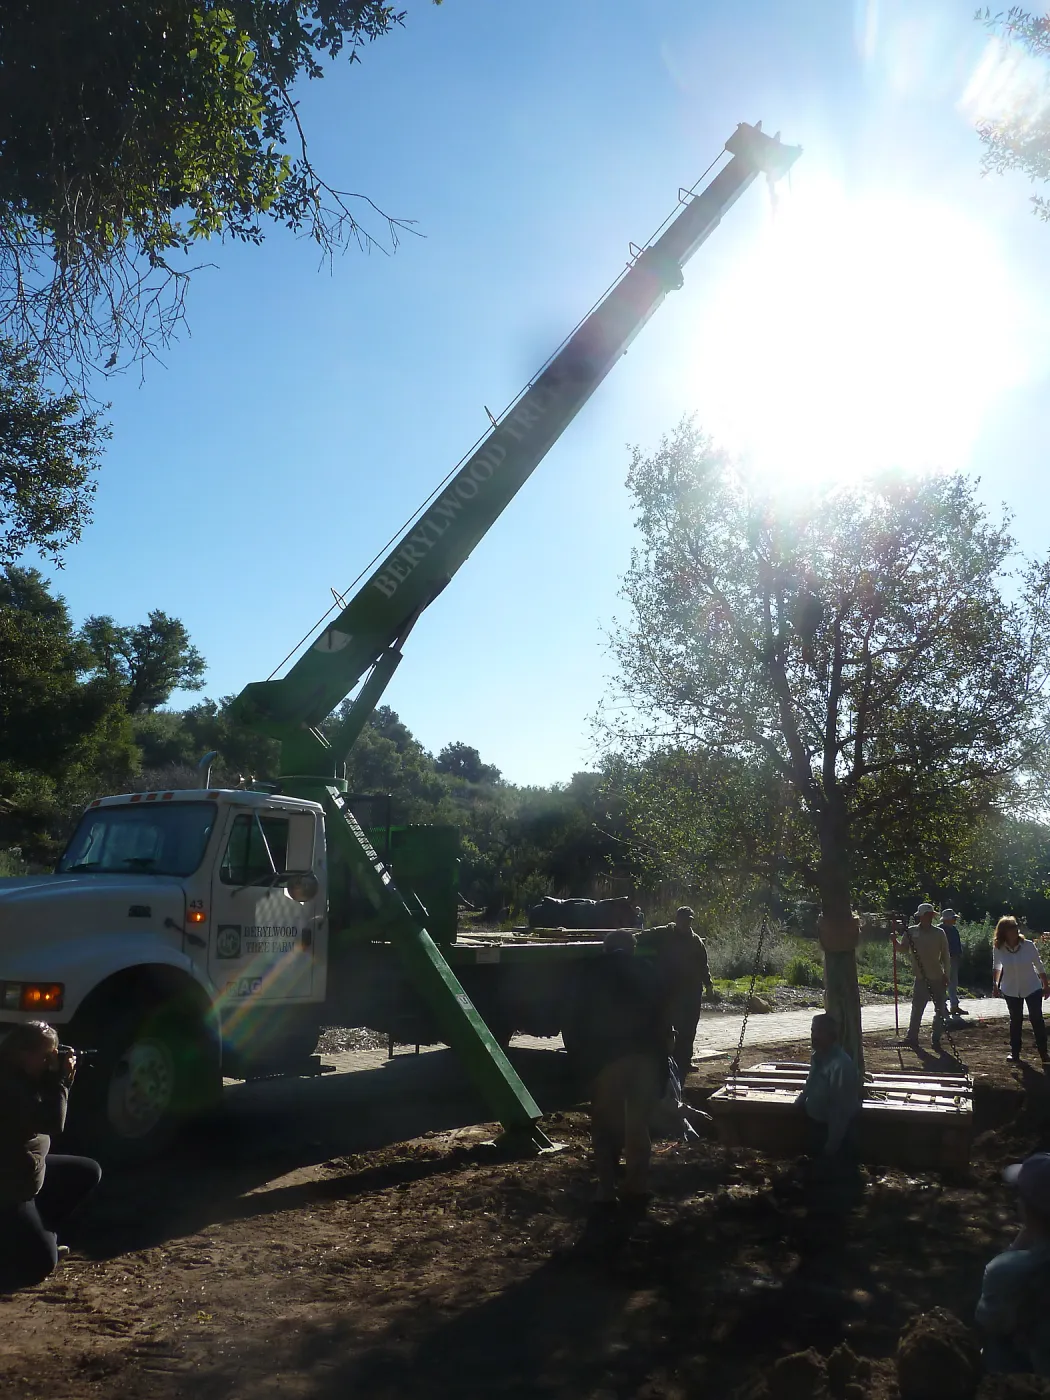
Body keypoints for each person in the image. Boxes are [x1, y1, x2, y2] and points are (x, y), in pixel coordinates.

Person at [564, 928, 671, 1209]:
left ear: (606, 949)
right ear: (633, 949)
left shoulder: (590, 972)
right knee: (637, 1124)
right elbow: (664, 1022)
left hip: (607, 1061)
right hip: (645, 1059)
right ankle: (636, 1187)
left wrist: (580, 1064)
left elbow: (574, 1020)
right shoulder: (649, 971)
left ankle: (606, 1189)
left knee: (604, 1125)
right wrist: (662, 1068)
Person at [0, 1021, 101, 1291]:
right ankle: (22, 1243)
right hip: (9, 1192)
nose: (50, 1062)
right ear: (21, 1053)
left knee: (87, 1172)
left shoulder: (20, 1074)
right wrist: (62, 1081)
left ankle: (33, 1232)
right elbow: (53, 1122)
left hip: (26, 1177)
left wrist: (55, 1074)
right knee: (41, 1264)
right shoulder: (8, 1087)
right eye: (45, 1056)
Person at [976, 1153, 1050, 1376]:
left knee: (993, 1345)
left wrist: (1018, 1244)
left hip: (1038, 1380)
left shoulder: (1008, 1272)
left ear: (1027, 1209)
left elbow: (987, 1324)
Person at [653, 907, 714, 1082]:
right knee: (671, 1027)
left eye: (689, 920)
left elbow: (704, 965)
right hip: (672, 991)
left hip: (693, 991)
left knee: (690, 1028)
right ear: (677, 919)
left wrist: (708, 984)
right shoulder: (665, 933)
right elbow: (644, 937)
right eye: (683, 920)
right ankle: (669, 1062)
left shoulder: (695, 941)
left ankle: (685, 1061)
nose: (686, 923)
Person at [795, 1013, 861, 1160]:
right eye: (813, 1031)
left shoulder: (840, 1065)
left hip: (835, 1134)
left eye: (820, 1031)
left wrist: (831, 1147)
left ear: (831, 1036)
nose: (815, 1036)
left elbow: (841, 1109)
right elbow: (811, 1082)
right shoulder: (818, 1056)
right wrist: (801, 1100)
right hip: (816, 1123)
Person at [992, 916, 1050, 1065]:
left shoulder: (1028, 945)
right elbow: (997, 967)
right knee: (1015, 1020)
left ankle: (1044, 1053)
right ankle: (1015, 1053)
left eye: (1016, 927)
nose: (1015, 930)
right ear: (1004, 931)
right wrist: (995, 985)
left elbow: (1039, 965)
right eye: (1011, 928)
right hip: (1010, 989)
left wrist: (1046, 985)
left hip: (1032, 987)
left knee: (1036, 1019)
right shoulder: (999, 948)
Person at [893, 903, 951, 1051]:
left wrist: (947, 974)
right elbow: (903, 949)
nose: (929, 918)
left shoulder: (939, 933)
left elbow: (946, 956)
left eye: (931, 915)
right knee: (917, 1008)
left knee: (940, 1009)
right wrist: (894, 942)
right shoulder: (911, 931)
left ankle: (936, 1038)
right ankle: (912, 1037)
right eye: (927, 915)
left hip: (937, 977)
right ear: (920, 916)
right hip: (920, 978)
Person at [941, 908, 967, 1017]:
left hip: (954, 958)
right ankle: (942, 1007)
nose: (955, 920)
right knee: (942, 983)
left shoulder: (954, 929)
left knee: (953, 983)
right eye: (953, 918)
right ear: (947, 919)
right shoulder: (940, 930)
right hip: (943, 959)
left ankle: (954, 1006)